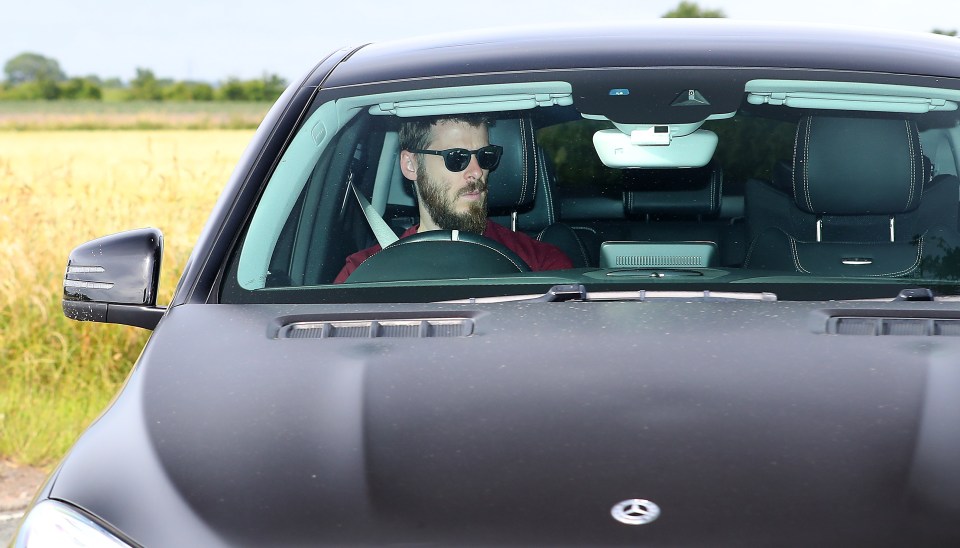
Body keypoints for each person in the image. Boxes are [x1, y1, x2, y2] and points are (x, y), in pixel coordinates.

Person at [334, 114, 572, 283]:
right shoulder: (363, 273)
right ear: (410, 164)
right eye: (456, 158)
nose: (477, 171)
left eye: (486, 156)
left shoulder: (543, 266)